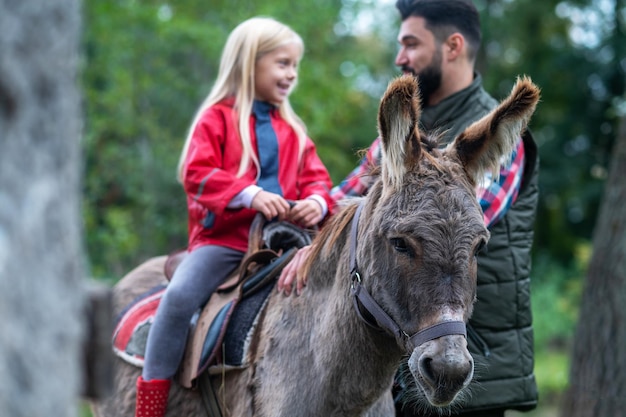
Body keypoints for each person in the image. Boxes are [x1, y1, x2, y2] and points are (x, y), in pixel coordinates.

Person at [278, 1, 539, 416]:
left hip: (468, 362)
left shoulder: (501, 147)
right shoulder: (402, 144)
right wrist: (304, 221)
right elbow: (344, 197)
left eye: (411, 44)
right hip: (401, 356)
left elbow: (444, 226)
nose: (400, 58)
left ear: (452, 46)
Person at [135, 17, 334, 417]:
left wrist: (317, 202)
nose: (291, 74)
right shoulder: (216, 119)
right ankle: (150, 404)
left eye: (295, 65)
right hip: (224, 245)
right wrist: (250, 194)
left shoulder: (294, 130)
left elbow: (318, 178)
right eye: (282, 63)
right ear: (249, 63)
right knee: (176, 301)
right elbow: (196, 173)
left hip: (286, 245)